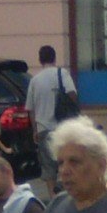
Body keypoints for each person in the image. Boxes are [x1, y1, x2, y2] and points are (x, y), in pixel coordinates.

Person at [25, 45, 77, 195]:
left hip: (43, 129)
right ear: (54, 58)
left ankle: (53, 199)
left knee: (48, 169)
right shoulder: (62, 74)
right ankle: (67, 196)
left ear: (40, 60)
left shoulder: (34, 80)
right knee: (66, 163)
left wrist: (35, 130)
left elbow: (31, 109)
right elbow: (72, 94)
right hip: (62, 128)